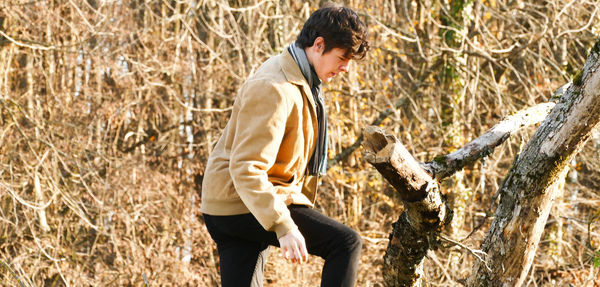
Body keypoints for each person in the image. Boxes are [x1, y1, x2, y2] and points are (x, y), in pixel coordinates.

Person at [200, 4, 369, 287]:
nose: (345, 68)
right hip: (239, 202)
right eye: (342, 57)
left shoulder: (298, 78)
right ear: (319, 45)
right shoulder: (275, 87)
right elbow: (246, 167)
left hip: (235, 202)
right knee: (345, 243)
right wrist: (283, 224)